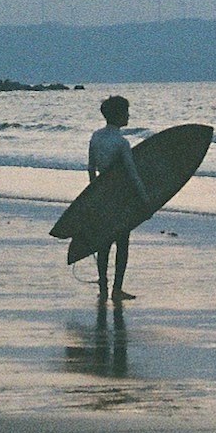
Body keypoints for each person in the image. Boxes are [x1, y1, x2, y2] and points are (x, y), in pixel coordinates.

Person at [87, 94, 148, 303]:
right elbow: (132, 173)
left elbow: (91, 169)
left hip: (102, 194)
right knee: (122, 243)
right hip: (120, 196)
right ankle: (117, 289)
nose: (128, 116)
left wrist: (94, 193)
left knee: (103, 242)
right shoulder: (122, 142)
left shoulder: (95, 137)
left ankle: (103, 287)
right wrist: (144, 199)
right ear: (120, 114)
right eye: (127, 112)